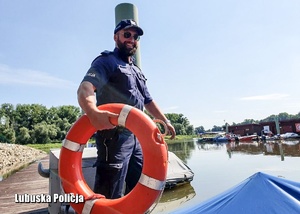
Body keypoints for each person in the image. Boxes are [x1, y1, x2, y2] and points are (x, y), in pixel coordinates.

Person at [77, 19, 176, 199]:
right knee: (110, 191)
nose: (132, 39)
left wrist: (166, 121)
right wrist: (92, 112)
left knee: (139, 186)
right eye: (127, 34)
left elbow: (148, 100)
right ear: (116, 37)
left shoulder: (136, 71)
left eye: (136, 36)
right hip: (114, 137)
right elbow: (85, 88)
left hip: (137, 137)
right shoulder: (106, 62)